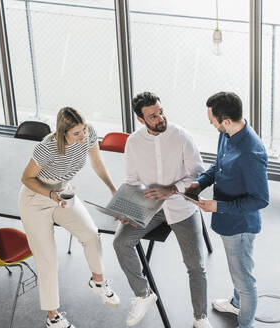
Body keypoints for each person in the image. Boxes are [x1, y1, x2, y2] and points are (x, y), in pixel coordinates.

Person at [113, 92, 212, 328]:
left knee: (195, 266)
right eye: (152, 116)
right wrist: (127, 207)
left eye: (160, 112)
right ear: (140, 119)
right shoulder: (133, 143)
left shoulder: (181, 136)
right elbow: (132, 181)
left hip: (182, 207)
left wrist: (172, 189)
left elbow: (199, 175)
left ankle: (200, 317)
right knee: (120, 242)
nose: (160, 118)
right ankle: (143, 294)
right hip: (150, 206)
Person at [18, 107, 120, 328]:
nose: (83, 136)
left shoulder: (88, 134)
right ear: (63, 133)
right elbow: (26, 178)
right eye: (77, 133)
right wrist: (50, 194)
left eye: (83, 129)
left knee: (91, 234)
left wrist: (112, 189)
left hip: (63, 193)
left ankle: (98, 282)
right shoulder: (47, 148)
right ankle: (53, 317)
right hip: (36, 198)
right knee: (48, 260)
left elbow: (96, 161)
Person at [185, 92, 269, 328]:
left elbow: (261, 199)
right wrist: (200, 183)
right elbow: (219, 164)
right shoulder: (228, 134)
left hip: (239, 226)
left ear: (226, 121)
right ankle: (235, 303)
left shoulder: (251, 154)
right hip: (227, 220)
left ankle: (246, 324)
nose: (211, 123)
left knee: (243, 278)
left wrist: (218, 206)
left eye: (212, 120)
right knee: (240, 268)